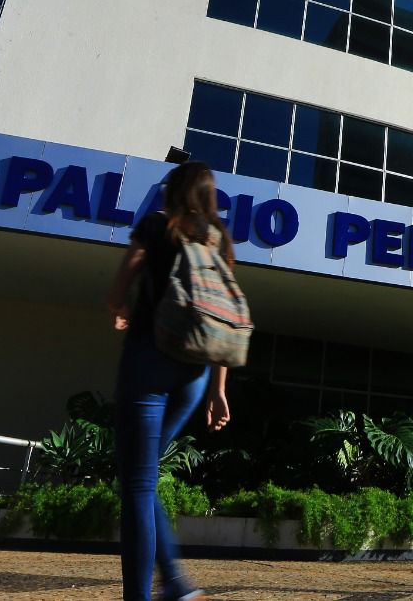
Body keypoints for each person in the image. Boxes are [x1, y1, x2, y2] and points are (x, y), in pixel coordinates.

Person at [106, 162, 233, 601]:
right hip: (195, 375)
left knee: (138, 484)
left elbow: (121, 282)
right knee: (142, 476)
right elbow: (221, 316)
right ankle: (175, 584)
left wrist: (120, 307)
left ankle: (152, 592)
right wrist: (219, 390)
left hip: (150, 361)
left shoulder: (158, 225)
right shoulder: (218, 239)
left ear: (173, 190)